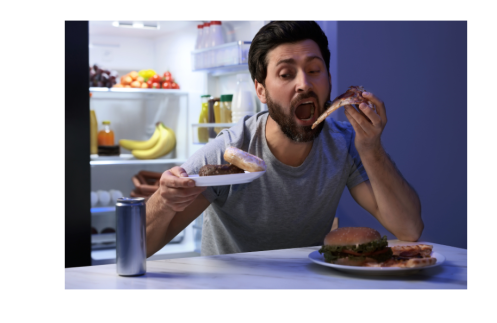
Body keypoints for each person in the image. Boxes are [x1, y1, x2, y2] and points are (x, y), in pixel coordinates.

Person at [145, 20, 423, 257]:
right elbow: (138, 246)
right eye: (286, 74)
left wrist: (372, 149)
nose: (304, 83)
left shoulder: (345, 144)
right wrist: (165, 201)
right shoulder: (230, 151)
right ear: (261, 90)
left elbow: (409, 228)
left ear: (328, 78)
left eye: (314, 70)